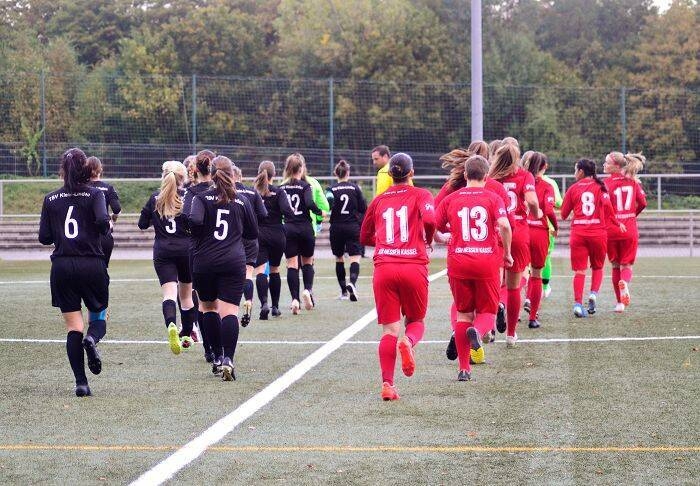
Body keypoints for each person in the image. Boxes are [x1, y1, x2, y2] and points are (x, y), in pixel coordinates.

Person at [360, 153, 435, 401]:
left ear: (390, 174)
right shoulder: (421, 195)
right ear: (411, 173)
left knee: (389, 330)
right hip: (413, 266)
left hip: (385, 268)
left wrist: (385, 243)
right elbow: (430, 219)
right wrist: (428, 239)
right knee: (416, 321)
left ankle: (387, 385)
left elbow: (364, 236)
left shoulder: (379, 200)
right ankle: (409, 342)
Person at [38, 148, 111, 397]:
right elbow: (102, 223)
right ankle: (92, 339)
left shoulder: (50, 199)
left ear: (63, 170)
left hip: (62, 267)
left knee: (73, 327)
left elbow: (44, 237)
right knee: (98, 317)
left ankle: (81, 383)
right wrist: (105, 226)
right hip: (91, 264)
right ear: (86, 169)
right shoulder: (95, 194)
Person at [436, 155, 512, 381]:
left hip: (458, 262)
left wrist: (440, 239)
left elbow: (432, 224)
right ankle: (477, 332)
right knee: (487, 311)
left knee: (463, 315)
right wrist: (507, 253)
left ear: (465, 175)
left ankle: (464, 369)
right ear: (486, 176)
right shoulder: (493, 197)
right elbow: (505, 225)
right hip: (486, 262)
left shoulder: (451, 198)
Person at [188, 155, 258, 380]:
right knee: (229, 312)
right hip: (233, 261)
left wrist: (199, 234)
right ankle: (228, 359)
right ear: (232, 174)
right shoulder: (242, 200)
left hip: (205, 261)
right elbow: (253, 233)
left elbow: (194, 222)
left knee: (208, 308)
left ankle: (217, 357)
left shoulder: (201, 198)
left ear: (211, 173)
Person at [138, 161, 196, 355]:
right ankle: (186, 334)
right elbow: (194, 222)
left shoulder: (155, 197)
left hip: (163, 251)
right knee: (186, 297)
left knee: (169, 294)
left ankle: (171, 324)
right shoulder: (189, 196)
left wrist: (155, 218)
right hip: (186, 250)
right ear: (183, 178)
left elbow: (142, 224)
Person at [489, 139, 541, 347]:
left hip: (495, 231)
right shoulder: (525, 175)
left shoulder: (490, 177)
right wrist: (536, 213)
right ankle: (511, 335)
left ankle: (491, 321)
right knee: (514, 287)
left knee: (493, 283)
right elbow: (532, 201)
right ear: (517, 158)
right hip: (517, 230)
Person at [561, 159, 626, 317]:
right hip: (598, 233)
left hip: (578, 233)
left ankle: (578, 305)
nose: (574, 173)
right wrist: (617, 223)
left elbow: (563, 214)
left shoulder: (573, 188)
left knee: (580, 271)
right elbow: (608, 207)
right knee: (597, 267)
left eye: (575, 170)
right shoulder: (600, 187)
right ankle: (593, 295)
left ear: (581, 171)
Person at [604, 152, 647, 312]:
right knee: (626, 265)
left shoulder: (605, 184)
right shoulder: (633, 183)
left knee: (615, 265)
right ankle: (625, 283)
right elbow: (643, 203)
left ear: (616, 166)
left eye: (607, 162)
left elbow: (603, 206)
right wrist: (632, 215)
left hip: (611, 230)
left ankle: (619, 303)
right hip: (629, 229)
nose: (604, 165)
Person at [279, 153, 322, 313]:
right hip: (305, 228)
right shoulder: (305, 186)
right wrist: (319, 212)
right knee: (307, 262)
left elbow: (280, 209)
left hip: (289, 228)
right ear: (301, 168)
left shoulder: (281, 188)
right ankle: (308, 290)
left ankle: (295, 300)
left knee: (292, 265)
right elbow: (310, 203)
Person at [183, 150, 215, 363]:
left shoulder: (192, 193)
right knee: (220, 304)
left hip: (198, 252)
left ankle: (208, 348)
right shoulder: (223, 190)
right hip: (223, 250)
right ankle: (221, 351)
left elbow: (186, 219)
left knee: (203, 303)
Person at [253, 160, 294, 318]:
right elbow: (287, 211)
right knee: (275, 269)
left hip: (259, 234)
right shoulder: (279, 192)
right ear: (274, 174)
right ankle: (275, 307)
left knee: (261, 270)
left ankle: (264, 303)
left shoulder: (254, 193)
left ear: (259, 173)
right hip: (277, 234)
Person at [523, 152, 558, 329]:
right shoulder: (547, 186)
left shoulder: (521, 180)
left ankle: (508, 310)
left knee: (517, 273)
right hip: (538, 231)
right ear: (545, 167)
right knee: (536, 274)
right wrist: (556, 227)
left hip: (520, 230)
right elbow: (549, 210)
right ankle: (533, 317)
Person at [232, 165, 268, 327]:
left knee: (231, 275)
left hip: (233, 239)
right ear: (240, 176)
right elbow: (263, 214)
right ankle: (248, 300)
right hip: (251, 239)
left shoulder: (228, 193)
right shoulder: (252, 192)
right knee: (248, 273)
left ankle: (232, 306)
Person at [328, 160, 367, 300]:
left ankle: (344, 292)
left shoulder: (331, 189)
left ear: (335, 173)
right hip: (352, 227)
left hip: (336, 227)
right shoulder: (355, 188)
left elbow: (327, 206)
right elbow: (363, 208)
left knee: (339, 258)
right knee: (355, 257)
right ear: (348, 173)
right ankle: (352, 283)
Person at [86, 156, 121, 266]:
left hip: (84, 234)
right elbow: (117, 208)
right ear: (100, 170)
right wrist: (114, 217)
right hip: (103, 234)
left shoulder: (81, 188)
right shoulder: (107, 188)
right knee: (101, 270)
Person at [541, 172, 563, 298]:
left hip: (526, 226)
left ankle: (528, 293)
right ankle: (544, 288)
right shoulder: (550, 182)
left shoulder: (525, 178)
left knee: (527, 262)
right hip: (546, 227)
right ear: (544, 166)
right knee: (546, 258)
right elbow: (559, 203)